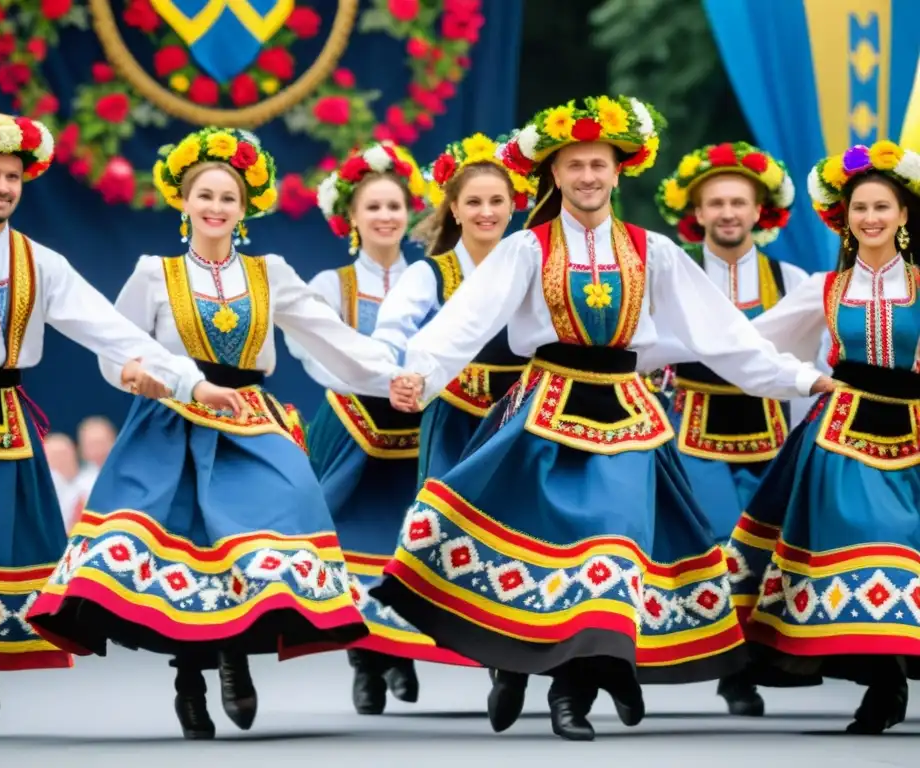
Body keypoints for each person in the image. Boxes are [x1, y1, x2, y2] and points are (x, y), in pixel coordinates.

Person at [378, 95, 836, 741]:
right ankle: (520, 663)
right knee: (554, 545)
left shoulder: (654, 251)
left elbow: (724, 336)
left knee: (612, 539)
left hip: (629, 414)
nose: (588, 176)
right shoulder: (526, 250)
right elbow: (465, 322)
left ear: (620, 172)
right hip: (543, 411)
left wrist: (799, 378)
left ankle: (575, 691)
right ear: (555, 176)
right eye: (574, 166)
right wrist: (419, 375)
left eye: (598, 164)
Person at [26, 126, 404, 740]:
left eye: (228, 197)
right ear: (182, 200)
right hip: (170, 424)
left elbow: (331, 337)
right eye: (205, 194)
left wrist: (395, 377)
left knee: (282, 515)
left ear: (244, 207)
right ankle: (191, 678)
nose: (216, 207)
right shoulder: (155, 273)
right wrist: (134, 374)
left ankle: (235, 657)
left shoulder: (269, 272)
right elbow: (116, 349)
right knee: (186, 543)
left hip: (248, 420)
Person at [0, 112, 241, 740]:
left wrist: (193, 383)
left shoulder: (40, 263)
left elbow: (113, 331)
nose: (3, 185)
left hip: (4, 421)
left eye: (13, 177)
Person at [726, 140, 920, 734]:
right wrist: (684, 356)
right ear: (843, 215)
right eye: (859, 208)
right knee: (865, 535)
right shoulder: (825, 288)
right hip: (840, 433)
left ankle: (886, 677)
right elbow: (752, 339)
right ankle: (882, 682)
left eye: (882, 207)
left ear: (904, 215)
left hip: (914, 430)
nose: (870, 219)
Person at [285, 141, 455, 716]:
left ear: (408, 215)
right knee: (345, 538)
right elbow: (310, 351)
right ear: (351, 219)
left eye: (394, 207)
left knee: (407, 538)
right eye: (373, 208)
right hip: (353, 422)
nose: (385, 217)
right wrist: (375, 378)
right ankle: (364, 660)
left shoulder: (429, 276)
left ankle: (401, 648)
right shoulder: (331, 285)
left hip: (419, 425)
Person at [653, 142, 810, 715]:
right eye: (715, 202)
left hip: (770, 426)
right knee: (715, 539)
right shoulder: (675, 272)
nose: (726, 212)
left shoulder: (790, 278)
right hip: (691, 421)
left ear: (759, 211)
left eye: (738, 202)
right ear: (695, 212)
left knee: (766, 547)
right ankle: (714, 661)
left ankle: (748, 664)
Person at [372, 133, 534, 485]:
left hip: (520, 417)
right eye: (474, 202)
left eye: (497, 201)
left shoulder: (531, 268)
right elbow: (393, 328)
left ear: (512, 206)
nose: (487, 212)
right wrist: (403, 373)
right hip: (454, 417)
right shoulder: (429, 274)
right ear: (455, 209)